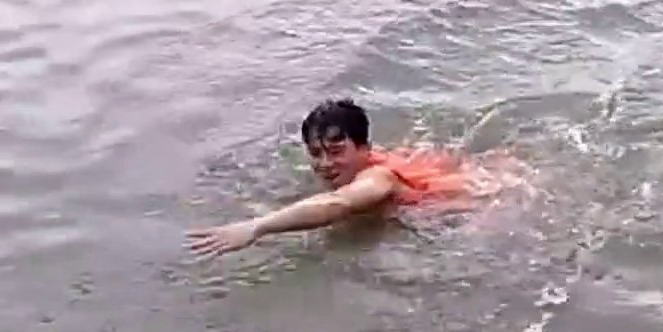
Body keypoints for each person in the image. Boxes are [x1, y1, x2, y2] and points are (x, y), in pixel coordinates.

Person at [187, 98, 480, 257]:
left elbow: (338, 203)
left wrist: (256, 227)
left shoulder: (378, 177)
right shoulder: (363, 164)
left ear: (365, 148)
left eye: (337, 151)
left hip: (467, 214)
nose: (325, 164)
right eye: (316, 153)